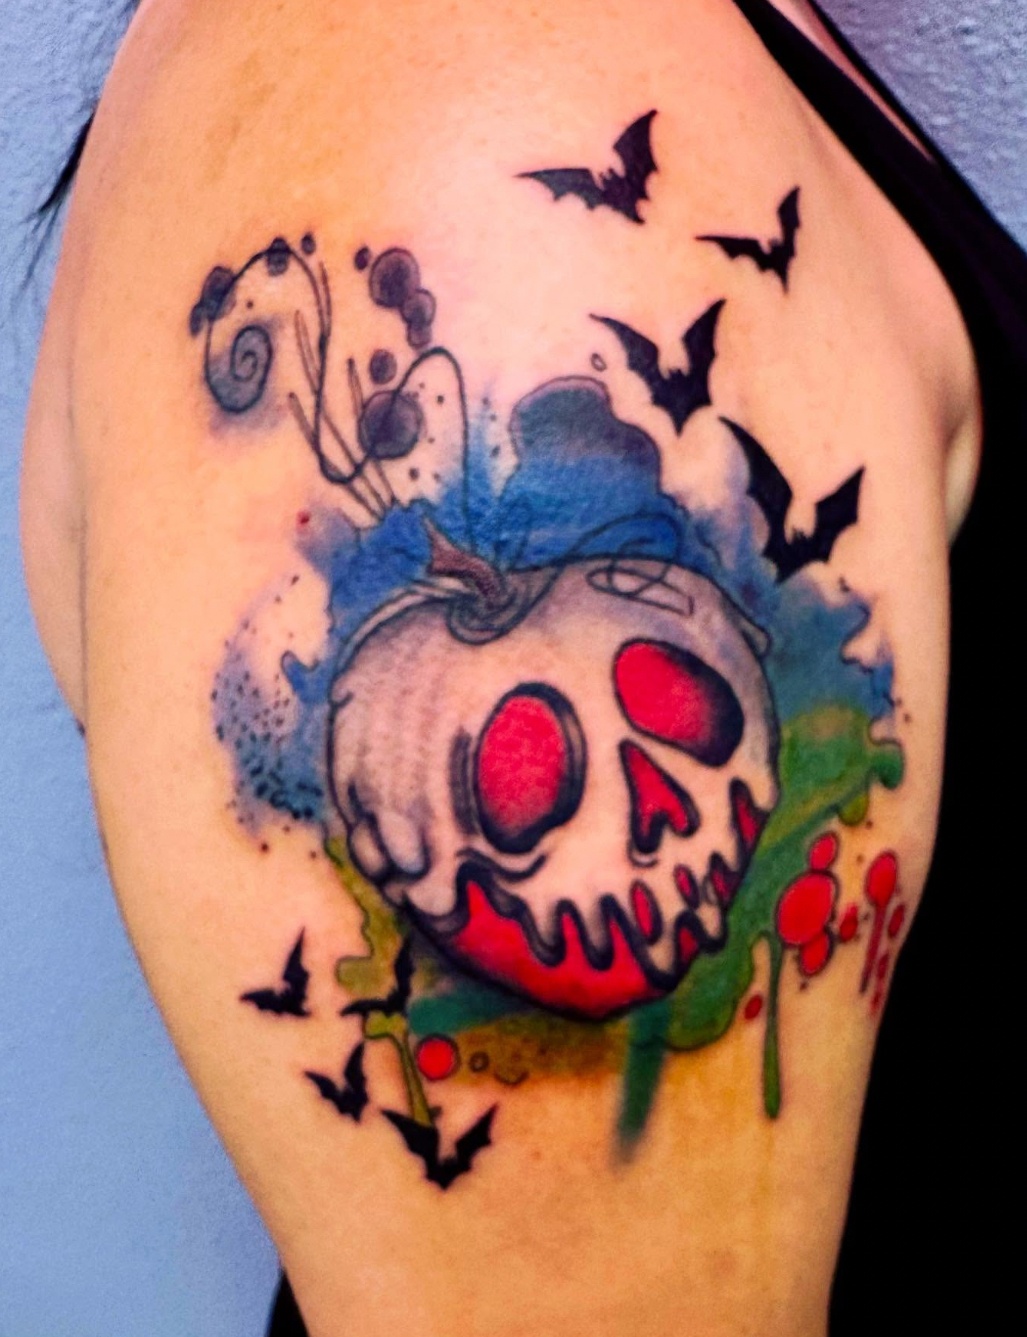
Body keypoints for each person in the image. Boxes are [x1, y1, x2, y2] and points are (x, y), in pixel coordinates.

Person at [20, 2, 1025, 1334]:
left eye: (679, 704)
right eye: (523, 776)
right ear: (406, 841)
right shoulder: (473, 108)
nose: (655, 813)